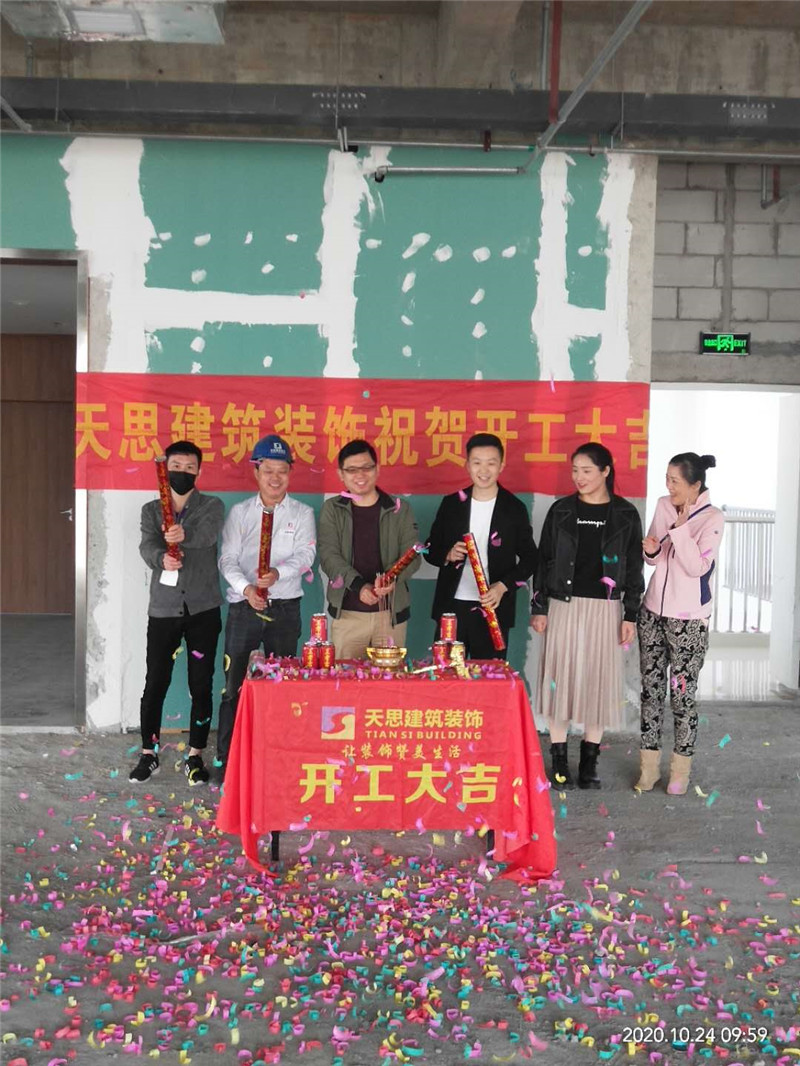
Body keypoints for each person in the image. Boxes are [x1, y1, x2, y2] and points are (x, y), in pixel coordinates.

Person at [530, 443, 644, 790]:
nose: (579, 477)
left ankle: (589, 763)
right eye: (575, 470)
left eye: (587, 471)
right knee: (560, 681)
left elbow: (634, 567)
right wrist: (539, 607)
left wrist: (630, 614)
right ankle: (559, 760)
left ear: (606, 471)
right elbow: (543, 560)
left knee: (598, 682)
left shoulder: (625, 514)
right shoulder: (561, 510)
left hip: (605, 607)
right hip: (563, 604)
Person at [217, 434, 316, 773]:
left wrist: (277, 573)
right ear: (256, 472)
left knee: (282, 686)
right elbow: (227, 559)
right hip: (243, 608)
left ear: (290, 473)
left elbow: (306, 555)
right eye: (269, 470)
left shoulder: (302, 513)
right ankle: (227, 760)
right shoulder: (240, 513)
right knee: (234, 687)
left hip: (285, 607)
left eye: (282, 471)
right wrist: (247, 589)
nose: (276, 478)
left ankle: (278, 759)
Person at [130, 440, 224, 786]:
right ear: (165, 469)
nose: (182, 472)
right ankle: (148, 753)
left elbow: (207, 535)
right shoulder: (151, 510)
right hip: (164, 608)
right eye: (176, 466)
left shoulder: (212, 506)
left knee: (201, 684)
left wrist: (183, 535)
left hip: (203, 608)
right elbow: (147, 546)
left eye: (189, 467)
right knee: (155, 681)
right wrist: (161, 558)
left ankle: (195, 755)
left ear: (199, 470)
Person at [636, 453, 724, 796]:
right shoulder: (663, 505)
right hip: (652, 612)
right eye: (667, 478)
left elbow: (697, 567)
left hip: (688, 621)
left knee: (682, 697)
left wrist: (682, 528)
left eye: (675, 481)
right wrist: (651, 550)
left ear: (695, 485)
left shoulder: (713, 518)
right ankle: (648, 769)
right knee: (651, 691)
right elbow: (654, 557)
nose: (668, 486)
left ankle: (679, 772)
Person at [428, 432, 537, 658]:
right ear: (467, 465)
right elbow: (430, 549)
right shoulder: (452, 504)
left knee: (489, 676)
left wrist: (502, 587)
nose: (484, 470)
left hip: (493, 609)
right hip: (452, 607)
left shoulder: (513, 508)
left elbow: (531, 559)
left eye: (491, 463)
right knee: (446, 673)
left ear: (501, 466)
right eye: (477, 463)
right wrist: (448, 554)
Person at [318, 439, 421, 658]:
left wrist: (390, 579)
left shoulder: (400, 509)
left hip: (390, 615)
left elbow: (413, 555)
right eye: (352, 470)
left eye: (367, 467)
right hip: (348, 616)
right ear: (341, 474)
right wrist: (359, 586)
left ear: (377, 469)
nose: (360, 475)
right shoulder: (332, 509)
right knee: (345, 678)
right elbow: (328, 556)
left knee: (390, 678)